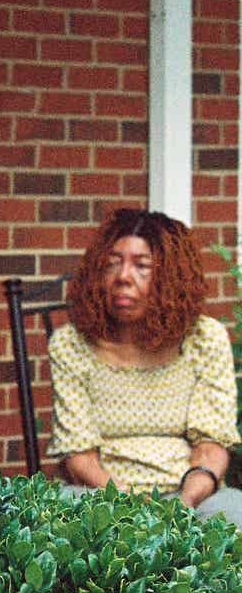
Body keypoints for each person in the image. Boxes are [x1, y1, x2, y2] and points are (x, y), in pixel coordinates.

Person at [46, 208, 242, 520]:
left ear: (171, 277)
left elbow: (212, 442)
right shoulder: (71, 344)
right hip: (99, 492)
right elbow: (78, 457)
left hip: (189, 491)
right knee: (58, 516)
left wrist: (185, 502)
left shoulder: (204, 339)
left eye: (142, 266)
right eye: (113, 263)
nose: (123, 277)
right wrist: (129, 504)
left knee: (236, 515)